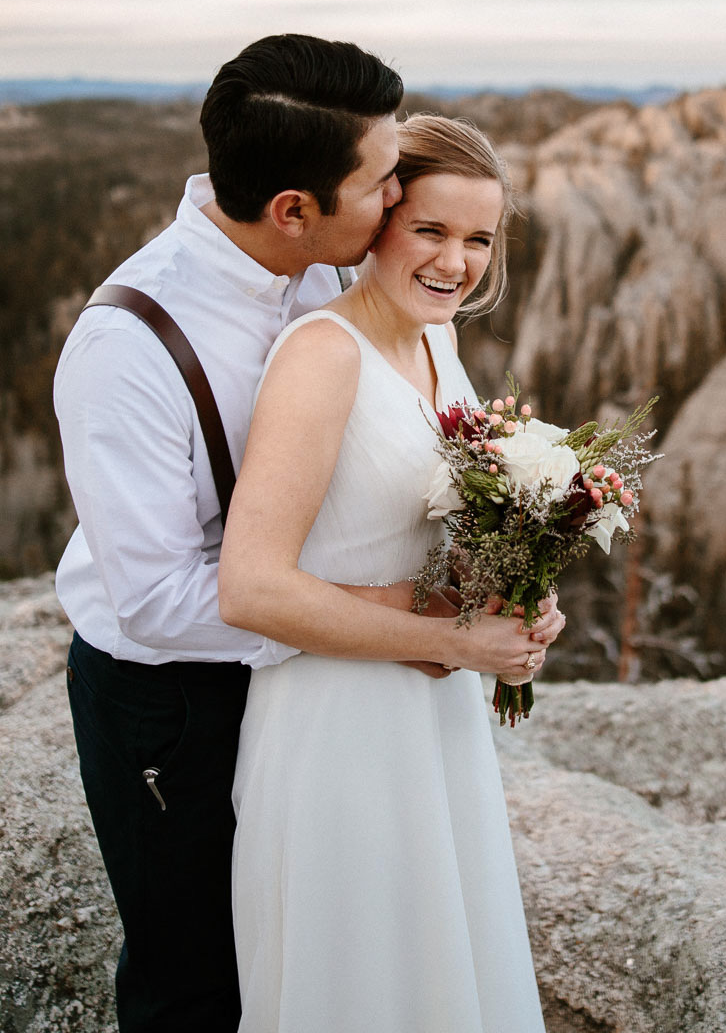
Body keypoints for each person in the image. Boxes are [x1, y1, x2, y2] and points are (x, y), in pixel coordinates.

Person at [54, 36, 560, 1033]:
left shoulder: (339, 272)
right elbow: (161, 601)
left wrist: (495, 575)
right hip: (174, 698)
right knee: (195, 973)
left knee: (343, 942)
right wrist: (422, 627)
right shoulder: (128, 347)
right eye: (382, 184)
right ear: (296, 208)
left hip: (333, 680)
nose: (396, 197)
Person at [220, 114, 545, 1032]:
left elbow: (448, 525)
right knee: (364, 983)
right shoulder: (323, 357)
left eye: (479, 238)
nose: (457, 261)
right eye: (431, 230)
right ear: (380, 221)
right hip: (339, 732)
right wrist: (457, 640)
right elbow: (251, 589)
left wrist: (516, 592)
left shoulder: (437, 343)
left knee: (444, 977)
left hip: (433, 719)